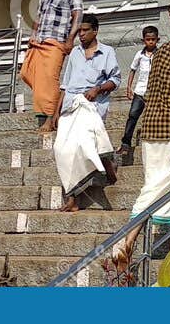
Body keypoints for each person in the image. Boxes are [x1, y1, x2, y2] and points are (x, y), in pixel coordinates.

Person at [102, 3, 170, 282]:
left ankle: (126, 244)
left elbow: (152, 89)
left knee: (152, 188)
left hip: (150, 128)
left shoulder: (161, 50)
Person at [51, 13, 120, 213]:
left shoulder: (107, 52)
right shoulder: (74, 53)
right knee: (62, 150)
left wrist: (97, 89)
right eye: (79, 31)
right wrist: (55, 113)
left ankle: (77, 196)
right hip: (71, 105)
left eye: (85, 30)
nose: (81, 34)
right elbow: (65, 85)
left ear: (95, 31)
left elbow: (115, 80)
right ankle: (73, 195)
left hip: (94, 104)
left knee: (86, 145)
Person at [21, 0, 81, 129]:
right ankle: (44, 109)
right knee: (27, 73)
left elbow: (77, 16)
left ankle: (49, 117)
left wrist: (70, 39)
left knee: (49, 78)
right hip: (39, 41)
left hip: (57, 41)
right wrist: (32, 37)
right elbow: (38, 19)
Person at [116, 25, 158, 161]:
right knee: (133, 115)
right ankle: (126, 142)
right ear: (143, 40)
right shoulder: (139, 55)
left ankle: (153, 141)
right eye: (148, 39)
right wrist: (129, 87)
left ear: (157, 39)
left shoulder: (160, 54)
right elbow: (133, 70)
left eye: (153, 39)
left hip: (154, 91)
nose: (150, 42)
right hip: (140, 90)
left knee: (153, 117)